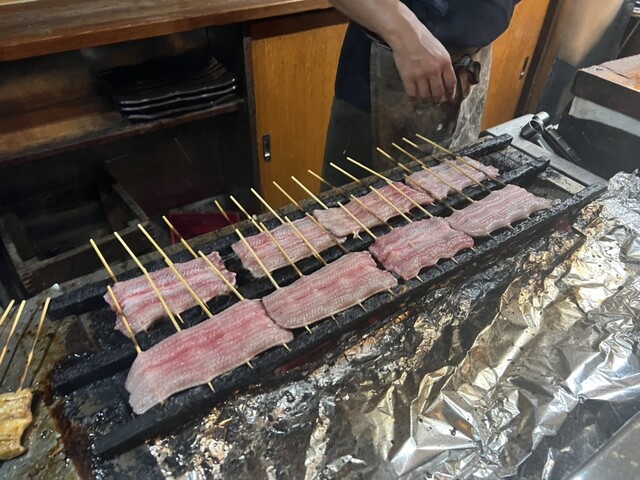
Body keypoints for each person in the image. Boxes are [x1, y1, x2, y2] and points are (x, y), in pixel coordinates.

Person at [323, 0, 520, 188]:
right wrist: (404, 32)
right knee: (361, 202)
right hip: (387, 73)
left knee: (456, 191)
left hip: (472, 70)